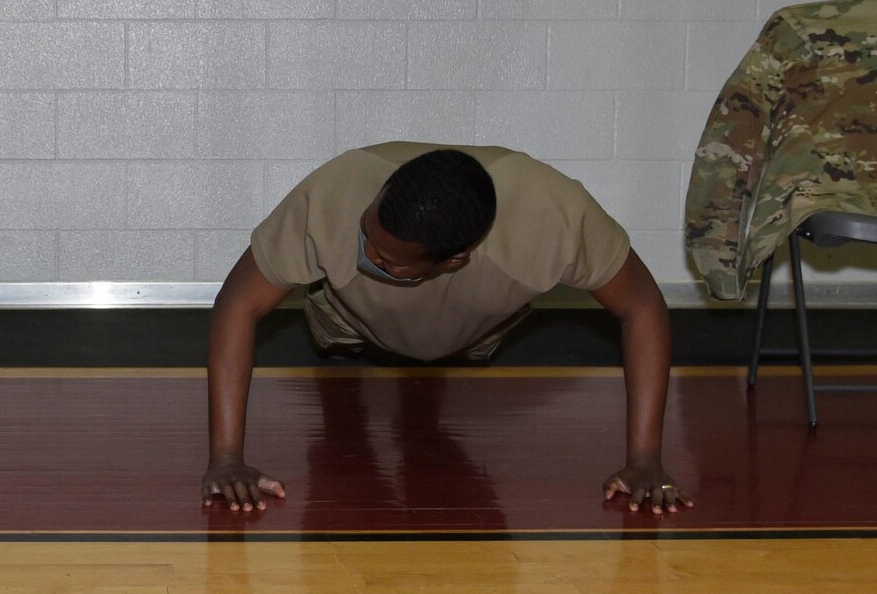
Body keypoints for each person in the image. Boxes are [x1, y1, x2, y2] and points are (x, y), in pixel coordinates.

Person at [202, 143, 692, 515]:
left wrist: (645, 458)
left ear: (455, 260)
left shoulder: (553, 214)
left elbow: (643, 306)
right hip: (353, 314)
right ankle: (346, 347)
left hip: (472, 325)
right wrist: (226, 457)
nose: (368, 253)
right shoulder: (333, 193)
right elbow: (237, 305)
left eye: (386, 258)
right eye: (366, 236)